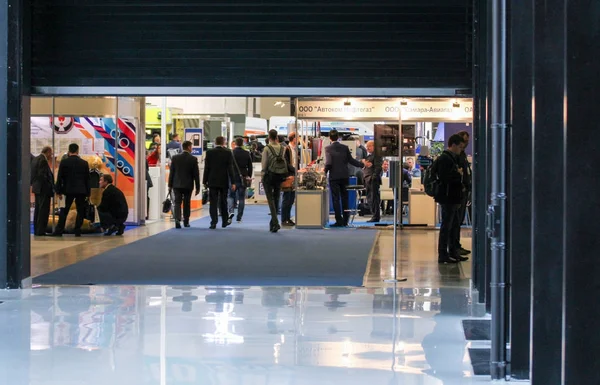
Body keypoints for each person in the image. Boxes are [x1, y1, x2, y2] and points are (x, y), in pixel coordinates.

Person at [324, 130, 370, 227]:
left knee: (336, 199)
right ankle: (345, 220)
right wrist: (362, 165)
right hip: (345, 176)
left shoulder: (328, 148)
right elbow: (351, 160)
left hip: (334, 177)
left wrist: (324, 172)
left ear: (329, 138)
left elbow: (328, 163)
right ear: (338, 137)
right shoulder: (344, 148)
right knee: (345, 198)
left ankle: (338, 220)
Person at [435, 134, 469, 264]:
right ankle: (443, 254)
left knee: (454, 225)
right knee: (447, 226)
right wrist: (458, 174)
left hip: (454, 196)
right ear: (453, 145)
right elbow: (445, 178)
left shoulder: (452, 158)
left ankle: (453, 252)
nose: (461, 150)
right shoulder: (445, 159)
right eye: (460, 147)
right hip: (448, 197)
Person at [51, 143, 90, 237]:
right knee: (80, 211)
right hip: (81, 190)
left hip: (67, 190)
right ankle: (77, 230)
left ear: (69, 151)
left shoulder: (64, 162)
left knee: (64, 210)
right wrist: (88, 193)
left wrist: (58, 191)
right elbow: (87, 179)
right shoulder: (84, 163)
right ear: (77, 151)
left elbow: (60, 177)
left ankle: (59, 230)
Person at [203, 136, 236, 229]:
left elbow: (207, 168)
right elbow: (230, 169)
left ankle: (213, 222)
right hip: (223, 180)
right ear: (224, 143)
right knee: (223, 201)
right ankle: (224, 221)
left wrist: (204, 181)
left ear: (215, 142)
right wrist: (233, 182)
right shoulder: (228, 152)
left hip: (212, 180)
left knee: (213, 202)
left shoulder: (209, 152)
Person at [169, 141, 201, 229]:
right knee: (187, 203)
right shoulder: (193, 159)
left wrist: (169, 185)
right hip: (188, 185)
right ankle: (186, 221)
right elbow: (196, 174)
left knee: (177, 202)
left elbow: (172, 173)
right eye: (192, 147)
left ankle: (177, 220)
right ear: (189, 147)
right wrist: (198, 187)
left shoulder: (175, 158)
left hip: (177, 184)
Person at [261, 129, 289, 233]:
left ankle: (275, 223)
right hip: (279, 175)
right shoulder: (283, 148)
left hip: (269, 175)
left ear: (269, 137)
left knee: (270, 199)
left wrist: (263, 175)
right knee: (277, 198)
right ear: (276, 137)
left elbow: (264, 164)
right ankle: (272, 223)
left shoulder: (267, 148)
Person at [31, 146, 55, 236]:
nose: (51, 156)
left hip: (37, 188)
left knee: (38, 210)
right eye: (51, 153)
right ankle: (41, 230)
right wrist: (50, 186)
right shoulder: (43, 160)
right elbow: (43, 175)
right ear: (48, 152)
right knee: (43, 210)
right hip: (43, 189)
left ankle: (37, 230)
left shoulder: (35, 159)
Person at [456, 131, 472, 255]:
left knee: (459, 221)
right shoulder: (456, 156)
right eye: (464, 141)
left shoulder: (463, 155)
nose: (466, 144)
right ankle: (454, 246)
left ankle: (456, 245)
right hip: (458, 192)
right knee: (455, 221)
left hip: (464, 191)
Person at [231, 137, 253, 222]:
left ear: (235, 144)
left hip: (233, 177)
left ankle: (231, 212)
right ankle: (239, 217)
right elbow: (250, 166)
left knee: (231, 196)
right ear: (242, 144)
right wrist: (248, 176)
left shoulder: (231, 153)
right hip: (243, 177)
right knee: (241, 198)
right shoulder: (246, 153)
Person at [363, 140, 383, 223]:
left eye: (369, 146)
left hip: (373, 180)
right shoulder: (369, 156)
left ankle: (376, 216)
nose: (367, 148)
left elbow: (378, 167)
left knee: (374, 198)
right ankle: (374, 214)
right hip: (368, 180)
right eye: (367, 146)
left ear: (374, 146)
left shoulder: (377, 155)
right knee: (370, 198)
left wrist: (373, 177)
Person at [281, 132, 298, 226]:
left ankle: (288, 218)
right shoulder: (287, 149)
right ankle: (284, 219)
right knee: (286, 198)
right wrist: (296, 170)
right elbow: (286, 164)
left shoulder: (295, 149)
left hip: (294, 175)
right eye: (298, 137)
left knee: (291, 199)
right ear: (294, 138)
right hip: (288, 176)